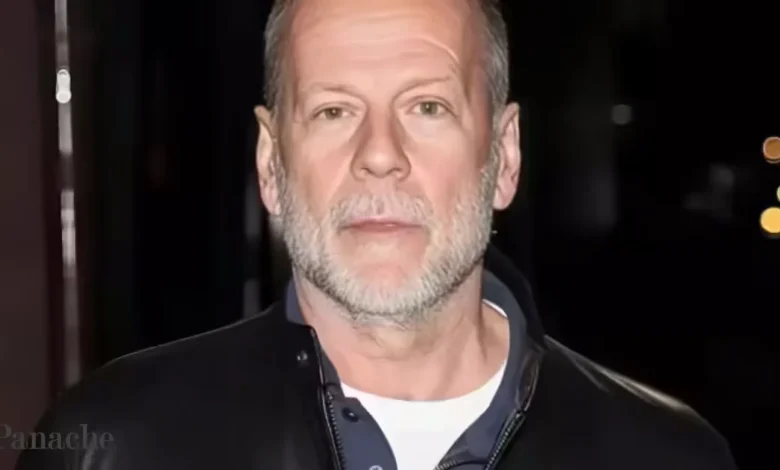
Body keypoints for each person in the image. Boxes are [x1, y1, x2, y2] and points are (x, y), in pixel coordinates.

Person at [16, 0, 738, 469]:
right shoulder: (111, 449)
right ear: (271, 164)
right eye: (334, 111)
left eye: (427, 107)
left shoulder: (667, 458)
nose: (381, 153)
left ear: (505, 156)